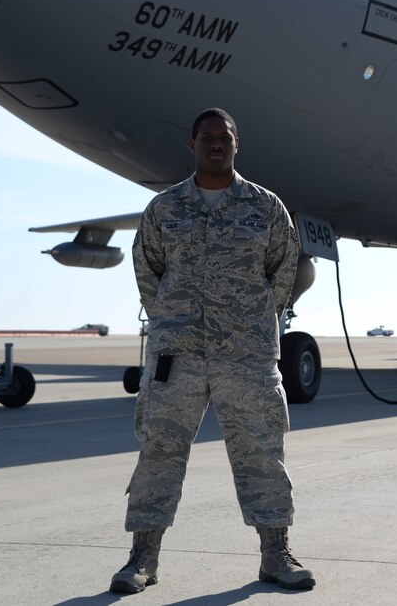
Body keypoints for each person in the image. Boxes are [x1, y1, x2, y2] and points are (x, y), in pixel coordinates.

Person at [110, 107, 313, 594]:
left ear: (236, 144)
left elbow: (282, 272)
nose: (215, 144)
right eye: (206, 137)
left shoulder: (265, 208)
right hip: (176, 353)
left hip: (246, 354)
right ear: (192, 145)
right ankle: (142, 559)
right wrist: (174, 318)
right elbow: (148, 271)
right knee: (158, 451)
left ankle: (275, 554)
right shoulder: (164, 209)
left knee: (263, 453)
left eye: (223, 137)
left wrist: (252, 321)